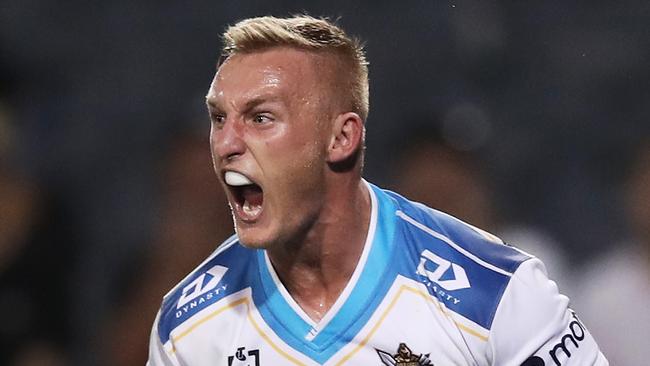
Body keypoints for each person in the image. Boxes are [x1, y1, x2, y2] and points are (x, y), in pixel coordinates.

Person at [147, 15, 607, 365]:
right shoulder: (186, 330)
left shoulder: (494, 296)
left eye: (261, 117)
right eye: (219, 118)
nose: (225, 143)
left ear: (342, 138)